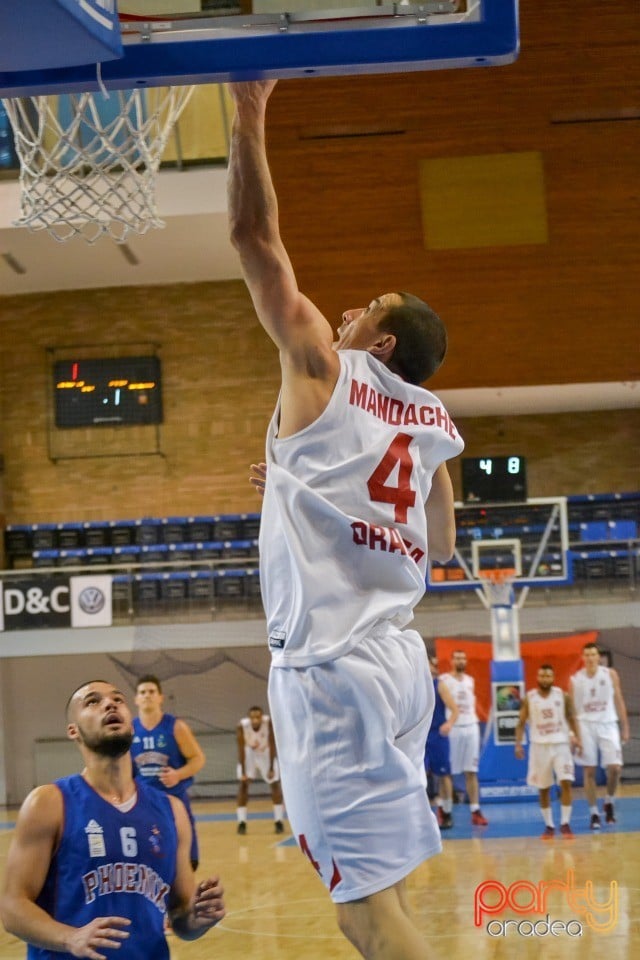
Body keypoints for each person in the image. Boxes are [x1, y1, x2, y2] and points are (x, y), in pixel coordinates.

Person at [229, 79, 463, 960]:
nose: (352, 307)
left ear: (383, 343)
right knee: (369, 902)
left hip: (333, 672)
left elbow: (255, 239)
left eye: (369, 306)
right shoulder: (433, 430)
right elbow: (437, 543)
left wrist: (249, 109)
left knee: (367, 913)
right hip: (402, 663)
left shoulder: (329, 365)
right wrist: (296, 489)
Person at [0, 680, 225, 960]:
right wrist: (69, 937)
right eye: (92, 701)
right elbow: (12, 908)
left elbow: (181, 918)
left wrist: (198, 918)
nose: (110, 704)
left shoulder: (172, 810)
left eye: (118, 699)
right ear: (74, 731)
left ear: (131, 725)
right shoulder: (48, 803)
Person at [131, 675, 205, 869]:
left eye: (151, 692)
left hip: (174, 800)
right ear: (136, 699)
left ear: (160, 697)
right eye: (142, 692)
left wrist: (178, 774)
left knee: (186, 861)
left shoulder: (176, 727)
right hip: (143, 802)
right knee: (148, 860)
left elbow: (198, 759)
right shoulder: (129, 731)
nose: (147, 696)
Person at [514, 664, 583, 839]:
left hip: (561, 745)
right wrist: (518, 744)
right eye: (542, 676)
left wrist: (578, 738)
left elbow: (572, 718)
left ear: (553, 678)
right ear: (538, 678)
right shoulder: (529, 698)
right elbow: (521, 722)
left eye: (548, 676)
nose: (545, 679)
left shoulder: (562, 696)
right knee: (543, 788)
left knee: (566, 782)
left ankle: (565, 823)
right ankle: (549, 825)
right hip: (539, 747)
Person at [570, 641, 630, 829]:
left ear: (598, 657)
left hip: (608, 723)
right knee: (589, 771)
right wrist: (573, 733)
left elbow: (618, 700)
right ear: (582, 658)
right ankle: (594, 813)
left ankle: (609, 801)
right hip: (585, 725)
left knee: (615, 768)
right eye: (586, 655)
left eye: (592, 654)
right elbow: (571, 709)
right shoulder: (575, 680)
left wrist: (625, 726)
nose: (589, 658)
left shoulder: (610, 675)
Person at [438, 650, 489, 825]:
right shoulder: (443, 680)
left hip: (471, 727)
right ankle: (446, 810)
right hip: (452, 728)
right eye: (457, 658)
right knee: (447, 772)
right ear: (451, 661)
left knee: (471, 771)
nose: (461, 661)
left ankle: (475, 810)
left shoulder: (470, 681)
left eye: (463, 658)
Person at [236, 705, 285, 835]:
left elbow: (273, 743)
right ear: (249, 718)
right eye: (253, 717)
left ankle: (279, 821)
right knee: (243, 785)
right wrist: (243, 770)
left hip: (265, 752)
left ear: (261, 717)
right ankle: (241, 823)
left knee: (274, 784)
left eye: (258, 717)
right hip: (249, 753)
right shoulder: (242, 726)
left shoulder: (268, 723)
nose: (256, 720)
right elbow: (240, 748)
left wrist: (270, 768)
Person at [424, 652, 459, 830]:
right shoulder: (414, 685)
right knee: (418, 776)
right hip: (421, 736)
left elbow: (455, 709)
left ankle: (446, 813)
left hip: (438, 734)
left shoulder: (440, 685)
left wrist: (449, 723)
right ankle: (421, 815)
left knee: (444, 774)